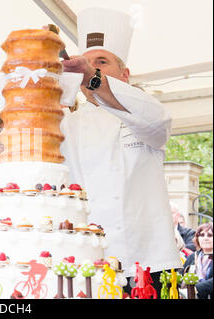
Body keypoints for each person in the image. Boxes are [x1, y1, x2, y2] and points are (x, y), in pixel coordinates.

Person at [59, 8, 181, 295]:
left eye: (102, 62)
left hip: (151, 262)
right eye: (86, 65)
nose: (91, 70)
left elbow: (160, 123)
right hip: (93, 266)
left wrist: (95, 79)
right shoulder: (68, 126)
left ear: (124, 74)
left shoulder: (146, 112)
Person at [182, 222, 213, 299]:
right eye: (202, 235)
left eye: (210, 235)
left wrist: (196, 288)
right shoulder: (192, 257)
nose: (205, 238)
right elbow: (181, 276)